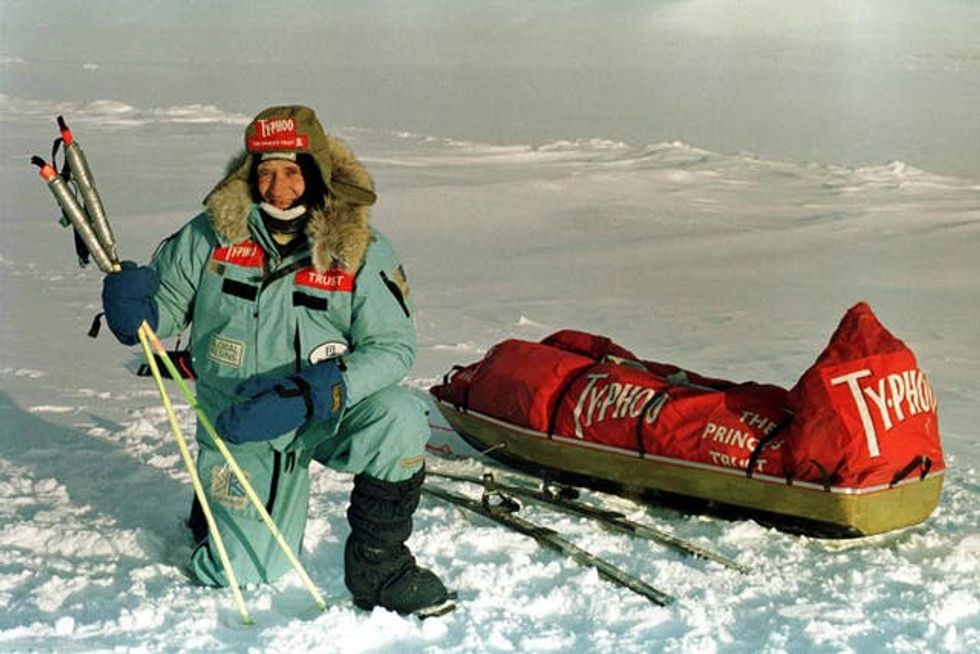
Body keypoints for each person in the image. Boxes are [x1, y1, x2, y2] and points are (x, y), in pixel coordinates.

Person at [100, 105, 453, 617]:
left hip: (322, 409)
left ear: (315, 171)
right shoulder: (211, 235)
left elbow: (392, 347)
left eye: (291, 171)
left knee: (401, 417)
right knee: (246, 572)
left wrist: (314, 393)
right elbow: (164, 313)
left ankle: (380, 568)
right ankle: (216, 508)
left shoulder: (360, 249)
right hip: (243, 421)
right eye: (265, 171)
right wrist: (136, 307)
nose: (277, 187)